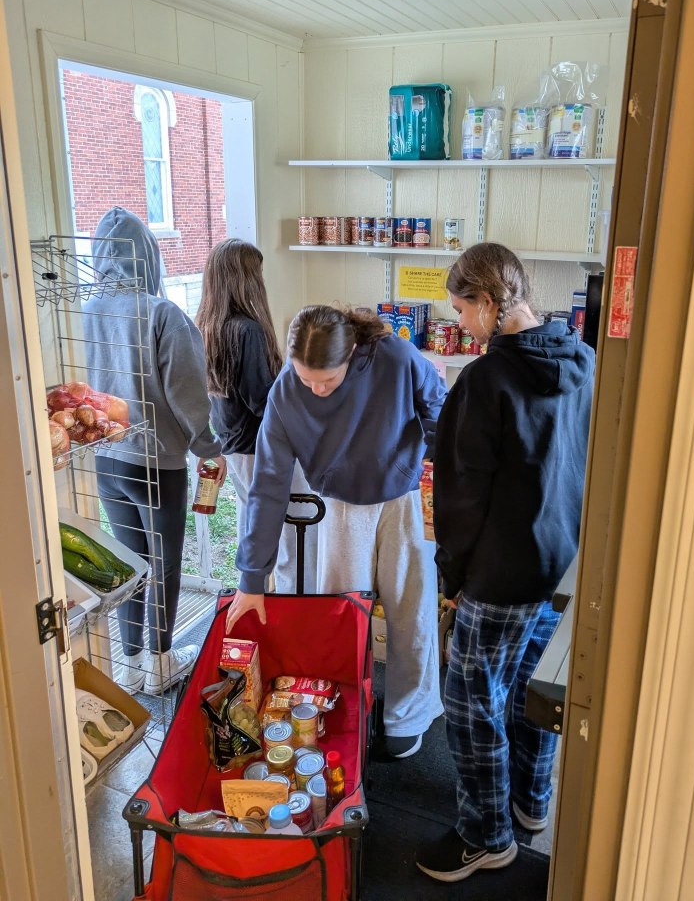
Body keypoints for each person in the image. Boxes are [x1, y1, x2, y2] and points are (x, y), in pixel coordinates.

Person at [415, 243, 595, 883]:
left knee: (471, 701)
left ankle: (486, 835)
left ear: (489, 303)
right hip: (560, 564)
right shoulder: (583, 359)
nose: (462, 323)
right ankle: (530, 802)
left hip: (498, 572)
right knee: (529, 694)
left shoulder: (485, 381)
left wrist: (453, 577)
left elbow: (462, 495)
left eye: (463, 309)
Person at [224, 304, 448, 758]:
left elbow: (439, 406)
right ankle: (343, 706)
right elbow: (268, 486)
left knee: (412, 610)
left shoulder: (395, 357)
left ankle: (408, 714)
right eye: (306, 379)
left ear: (352, 354)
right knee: (343, 616)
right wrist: (251, 578)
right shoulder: (286, 392)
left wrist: (436, 457)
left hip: (404, 496)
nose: (317, 389)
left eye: (327, 379)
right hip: (340, 505)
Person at [83, 208, 226, 695]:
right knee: (164, 564)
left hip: (106, 457)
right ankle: (161, 663)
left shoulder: (90, 311)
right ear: (148, 256)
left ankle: (130, 664)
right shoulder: (163, 314)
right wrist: (208, 447)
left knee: (129, 564)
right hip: (157, 462)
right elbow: (188, 394)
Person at [196, 239, 283, 541]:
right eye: (258, 273)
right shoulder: (248, 330)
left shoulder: (208, 325)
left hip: (230, 441)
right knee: (266, 529)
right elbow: (262, 400)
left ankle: (249, 573)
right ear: (246, 279)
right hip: (254, 445)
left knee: (249, 519)